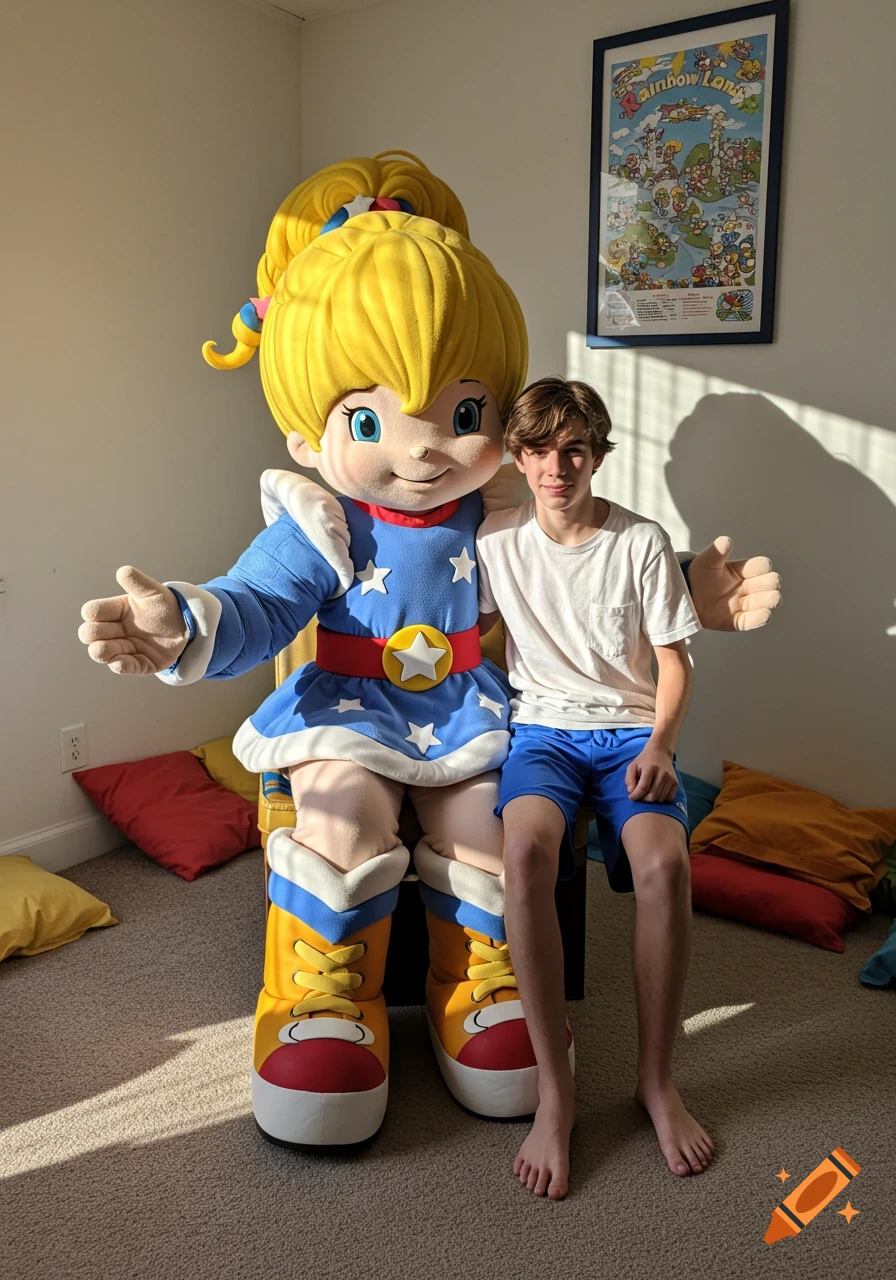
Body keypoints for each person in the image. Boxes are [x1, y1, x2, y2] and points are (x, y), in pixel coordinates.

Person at [476, 377, 747, 1199]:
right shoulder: (495, 540)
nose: (557, 467)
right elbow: (468, 639)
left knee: (665, 868)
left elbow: (674, 661)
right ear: (518, 459)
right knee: (523, 853)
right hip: (544, 734)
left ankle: (656, 1083)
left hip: (632, 733)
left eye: (574, 450)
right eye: (539, 451)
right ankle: (554, 1099)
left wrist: (664, 744)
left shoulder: (639, 541)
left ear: (595, 455)